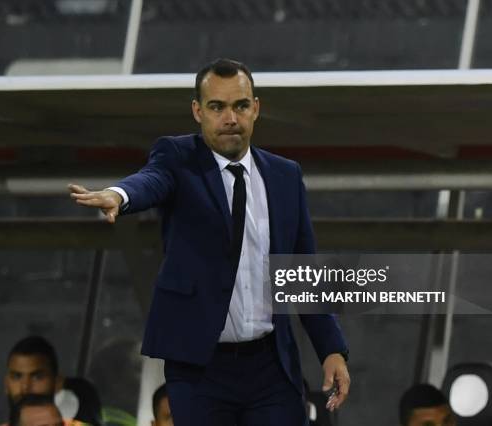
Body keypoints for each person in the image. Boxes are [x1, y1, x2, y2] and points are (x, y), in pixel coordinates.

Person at [69, 58, 350, 425]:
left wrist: (331, 350)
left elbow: (302, 273)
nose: (230, 118)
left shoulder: (285, 176)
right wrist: (120, 195)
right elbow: (150, 180)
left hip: (271, 365)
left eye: (240, 105)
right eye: (217, 107)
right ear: (198, 112)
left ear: (256, 109)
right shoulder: (178, 158)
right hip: (201, 368)